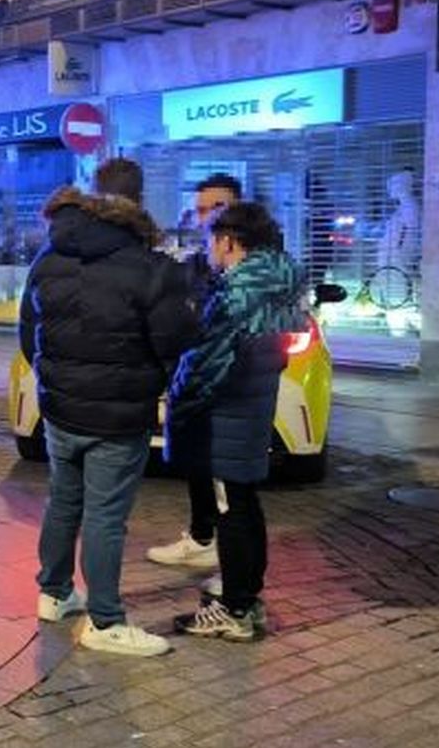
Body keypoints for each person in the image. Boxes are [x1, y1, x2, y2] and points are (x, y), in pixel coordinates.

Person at [22, 159, 196, 657]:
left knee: (63, 500)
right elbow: (175, 345)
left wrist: (54, 377)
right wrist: (158, 388)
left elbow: (27, 331)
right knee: (105, 516)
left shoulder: (50, 254)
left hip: (60, 407)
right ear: (138, 200)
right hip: (118, 414)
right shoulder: (150, 267)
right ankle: (105, 621)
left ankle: (55, 593)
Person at [167, 203, 308, 641]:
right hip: (252, 408)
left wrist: (179, 402)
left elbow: (207, 364)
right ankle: (246, 596)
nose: (209, 249)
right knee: (244, 503)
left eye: (212, 240)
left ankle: (235, 609)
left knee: (231, 510)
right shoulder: (276, 282)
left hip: (227, 414)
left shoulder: (235, 293)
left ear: (228, 242)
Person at [146, 173, 242, 571]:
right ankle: (204, 537)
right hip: (196, 386)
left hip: (232, 391)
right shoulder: (197, 266)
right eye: (201, 210)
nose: (206, 218)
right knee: (199, 466)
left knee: (232, 486)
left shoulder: (253, 270)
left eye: (216, 208)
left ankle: (234, 575)